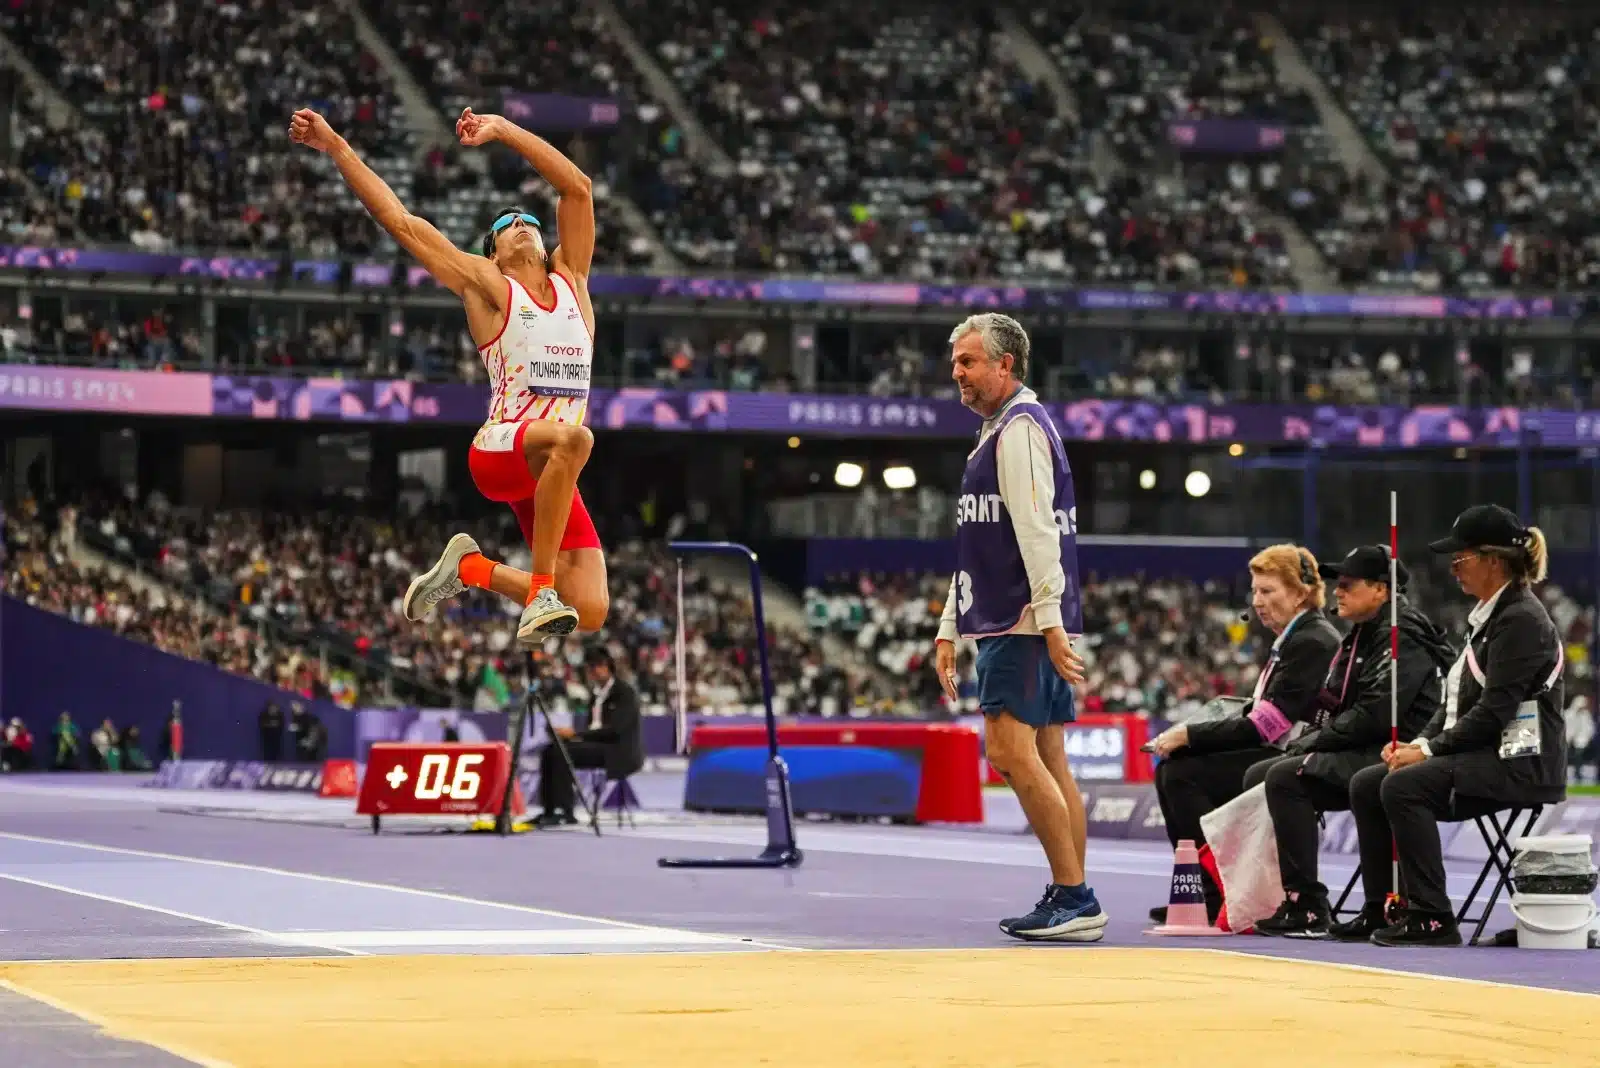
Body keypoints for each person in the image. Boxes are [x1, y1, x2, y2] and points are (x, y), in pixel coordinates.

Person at [289, 105, 606, 643]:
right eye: (506, 226)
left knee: (592, 610)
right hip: (503, 451)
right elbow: (403, 224)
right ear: (494, 253)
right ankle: (542, 592)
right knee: (576, 439)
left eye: (527, 220)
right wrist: (338, 148)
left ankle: (469, 570)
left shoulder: (574, 279)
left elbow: (576, 188)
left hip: (551, 466)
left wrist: (503, 129)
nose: (522, 225)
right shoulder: (489, 286)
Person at [931, 312, 1105, 942]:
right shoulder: (1000, 430)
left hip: (1023, 619)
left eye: (969, 362)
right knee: (1050, 757)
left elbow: (1036, 533)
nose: (957, 373)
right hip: (1017, 613)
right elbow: (977, 542)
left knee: (1009, 752)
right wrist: (950, 626)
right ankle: (1074, 893)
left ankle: (1074, 895)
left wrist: (1051, 623)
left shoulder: (1019, 430)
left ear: (1005, 365)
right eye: (955, 362)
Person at [1350, 504, 1567, 947]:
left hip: (1521, 763)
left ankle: (1431, 916)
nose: (1452, 568)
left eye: (1460, 558)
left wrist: (1427, 754)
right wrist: (1415, 744)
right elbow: (1454, 703)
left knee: (1402, 787)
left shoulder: (1521, 619)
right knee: (1369, 782)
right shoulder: (1490, 617)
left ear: (1493, 560)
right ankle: (1383, 906)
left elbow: (1492, 713)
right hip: (1487, 755)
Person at [1247, 545, 1455, 939]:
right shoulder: (1362, 634)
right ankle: (1266, 895)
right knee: (1263, 773)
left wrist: (1314, 743)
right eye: (1336, 583)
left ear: (1380, 589)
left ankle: (1308, 903)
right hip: (1363, 746)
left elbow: (1377, 715)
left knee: (1284, 777)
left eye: (1347, 584)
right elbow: (1335, 705)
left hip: (1393, 750)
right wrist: (1313, 739)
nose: (1336, 591)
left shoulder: (1400, 635)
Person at [1146, 544, 1341, 925]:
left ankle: (1217, 892)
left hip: (1291, 758)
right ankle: (1202, 890)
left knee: (1180, 773)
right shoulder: (1294, 638)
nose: (1257, 601)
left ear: (1300, 593)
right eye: (1255, 591)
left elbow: (1268, 724)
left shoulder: (1313, 640)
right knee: (1172, 769)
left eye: (1268, 591)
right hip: (1275, 753)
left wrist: (1190, 734)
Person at [537, 648, 644, 827]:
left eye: (599, 666)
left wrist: (576, 735)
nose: (595, 671)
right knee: (549, 750)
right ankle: (549, 809)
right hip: (597, 745)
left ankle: (565, 810)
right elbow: (593, 729)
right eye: (591, 667)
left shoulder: (625, 693)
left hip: (618, 750)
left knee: (561, 753)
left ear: (609, 667)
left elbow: (615, 731)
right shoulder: (595, 695)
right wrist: (571, 736)